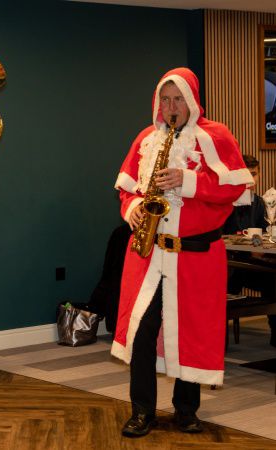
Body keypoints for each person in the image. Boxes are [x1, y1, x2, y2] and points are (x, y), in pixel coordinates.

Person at [112, 67, 252, 438]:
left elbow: (235, 189)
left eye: (178, 99)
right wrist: (133, 208)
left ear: (191, 101)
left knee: (192, 331)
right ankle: (141, 410)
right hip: (148, 254)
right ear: (157, 102)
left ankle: (186, 411)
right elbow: (126, 188)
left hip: (196, 257)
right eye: (166, 99)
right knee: (142, 332)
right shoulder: (146, 139)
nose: (171, 107)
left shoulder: (215, 135)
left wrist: (188, 181)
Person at [223, 155, 276, 346]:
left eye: (254, 174)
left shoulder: (259, 202)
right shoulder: (225, 201)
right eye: (246, 174)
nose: (251, 180)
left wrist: (256, 245)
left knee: (273, 279)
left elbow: (261, 232)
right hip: (228, 264)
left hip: (250, 264)